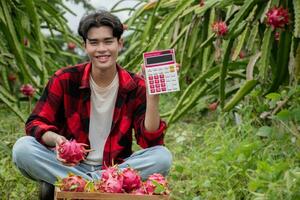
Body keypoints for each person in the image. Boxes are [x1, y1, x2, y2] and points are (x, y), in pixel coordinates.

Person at [12, 10, 172, 199]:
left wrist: (153, 96)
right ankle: (104, 188)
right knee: (23, 149)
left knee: (162, 157)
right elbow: (35, 123)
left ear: (119, 44)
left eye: (108, 41)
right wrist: (57, 140)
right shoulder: (65, 79)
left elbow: (150, 141)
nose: (101, 49)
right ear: (85, 45)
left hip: (113, 167)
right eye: (94, 42)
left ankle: (80, 185)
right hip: (69, 165)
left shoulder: (135, 85)